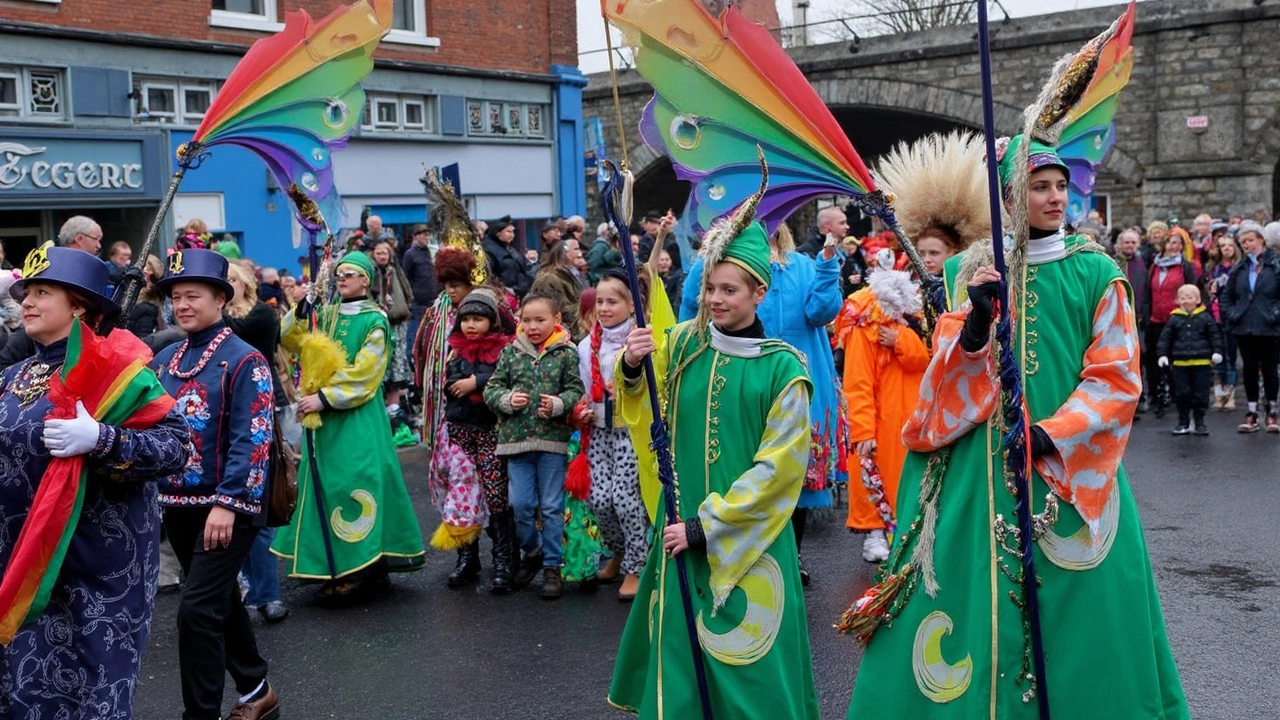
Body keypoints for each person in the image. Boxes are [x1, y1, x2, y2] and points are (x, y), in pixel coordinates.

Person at [842, 133, 1188, 719]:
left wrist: (1049, 436)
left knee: (1083, 607)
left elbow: (1116, 374)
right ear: (1008, 196)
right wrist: (975, 326)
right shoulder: (965, 272)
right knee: (972, 596)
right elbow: (945, 380)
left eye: (1060, 187)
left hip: (1069, 472)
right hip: (980, 474)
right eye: (1038, 188)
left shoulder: (1096, 271)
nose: (1055, 198)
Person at [608, 209, 819, 719]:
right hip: (679, 530)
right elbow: (640, 402)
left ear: (758, 294)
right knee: (682, 665)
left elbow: (781, 468)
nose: (716, 300)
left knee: (751, 669)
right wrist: (633, 364)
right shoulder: (681, 344)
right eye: (710, 289)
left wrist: (707, 526)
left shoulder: (783, 367)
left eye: (730, 290)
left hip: (747, 538)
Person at [0, 244, 189, 718]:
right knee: (20, 696)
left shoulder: (119, 374)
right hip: (17, 564)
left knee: (86, 696)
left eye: (42, 292)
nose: (26, 301)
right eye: (25, 291)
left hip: (93, 571)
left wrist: (103, 439)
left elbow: (176, 447)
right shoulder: (11, 376)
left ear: (79, 305)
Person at [151, 249, 281, 720]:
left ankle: (199, 714)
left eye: (193, 295)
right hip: (177, 504)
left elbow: (255, 438)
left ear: (220, 299)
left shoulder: (245, 360)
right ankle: (257, 689)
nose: (182, 305)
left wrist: (227, 503)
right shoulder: (165, 358)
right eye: (175, 296)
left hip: (228, 507)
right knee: (219, 602)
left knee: (196, 611)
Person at [679, 221, 841, 584]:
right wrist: (709, 257)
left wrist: (828, 262)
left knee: (789, 469)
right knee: (731, 461)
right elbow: (693, 307)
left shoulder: (800, 265)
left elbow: (820, 311)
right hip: (730, 368)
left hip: (793, 369)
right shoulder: (716, 267)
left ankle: (787, 554)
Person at [271, 251, 426, 596]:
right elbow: (289, 340)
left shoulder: (375, 320)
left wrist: (324, 397)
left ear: (366, 280)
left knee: (355, 482)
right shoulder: (324, 314)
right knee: (325, 486)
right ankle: (331, 567)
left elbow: (366, 374)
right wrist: (303, 306)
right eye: (339, 274)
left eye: (351, 273)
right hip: (322, 421)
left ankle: (364, 566)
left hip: (356, 418)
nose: (342, 278)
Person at [483, 292, 584, 600]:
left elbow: (575, 389)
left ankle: (552, 566)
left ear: (556, 321)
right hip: (516, 444)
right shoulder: (511, 352)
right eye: (526, 320)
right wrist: (506, 400)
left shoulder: (566, 353)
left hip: (552, 442)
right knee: (521, 505)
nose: (532, 326)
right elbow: (492, 388)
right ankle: (534, 551)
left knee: (553, 507)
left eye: (540, 320)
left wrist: (558, 404)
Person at [836, 248, 929, 562]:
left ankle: (902, 529)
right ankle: (875, 532)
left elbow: (924, 360)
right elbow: (857, 383)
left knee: (905, 478)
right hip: (880, 418)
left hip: (910, 416)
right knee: (873, 472)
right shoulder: (864, 329)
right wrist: (862, 430)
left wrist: (901, 339)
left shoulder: (911, 327)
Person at [577, 270, 653, 601]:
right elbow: (582, 390)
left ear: (631, 305)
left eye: (613, 301)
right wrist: (579, 409)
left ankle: (637, 565)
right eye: (600, 301)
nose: (604, 308)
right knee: (599, 500)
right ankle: (619, 551)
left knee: (625, 500)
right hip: (598, 432)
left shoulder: (639, 340)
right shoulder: (585, 346)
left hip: (630, 433)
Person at [221, 261, 291, 624]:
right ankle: (245, 593)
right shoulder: (218, 318)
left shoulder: (262, 314)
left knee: (260, 511)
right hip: (226, 413)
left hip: (262, 408)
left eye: (231, 279)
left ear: (246, 283)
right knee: (235, 513)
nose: (226, 285)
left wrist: (214, 314)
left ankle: (268, 595)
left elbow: (243, 337)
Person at [435, 289, 517, 592]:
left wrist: (476, 382)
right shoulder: (455, 351)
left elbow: (502, 379)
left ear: (491, 322)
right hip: (460, 431)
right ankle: (467, 558)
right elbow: (448, 386)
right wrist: (457, 385)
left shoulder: (502, 351)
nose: (471, 325)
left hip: (489, 431)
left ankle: (504, 560)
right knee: (462, 495)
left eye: (478, 319)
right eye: (466, 319)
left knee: (496, 494)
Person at [1219, 220, 1280, 433]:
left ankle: (1272, 411)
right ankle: (1252, 412)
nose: (1246, 245)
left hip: (1269, 327)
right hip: (1244, 328)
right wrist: (1233, 315)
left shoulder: (1275, 264)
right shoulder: (1240, 267)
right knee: (1250, 370)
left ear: (1261, 240)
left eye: (1250, 240)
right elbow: (1226, 296)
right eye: (1243, 242)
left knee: (1271, 371)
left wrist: (1274, 315)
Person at [1141, 229, 1199, 417]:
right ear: (1164, 245)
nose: (1174, 247)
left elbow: (1194, 290)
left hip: (1177, 320)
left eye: (1178, 244)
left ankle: (1178, 396)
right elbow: (1148, 292)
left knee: (1176, 359)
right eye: (1171, 243)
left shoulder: (1186, 266)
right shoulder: (1154, 266)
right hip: (1155, 320)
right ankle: (1158, 396)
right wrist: (1146, 314)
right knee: (1154, 359)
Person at [1157, 284, 1223, 435]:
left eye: (1190, 297)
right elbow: (1165, 339)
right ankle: (1183, 421)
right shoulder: (1174, 319)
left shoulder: (1206, 318)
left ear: (1198, 299)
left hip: (1202, 363)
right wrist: (1162, 354)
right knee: (1182, 393)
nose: (1186, 301)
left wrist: (1217, 351)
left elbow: (1215, 336)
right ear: (1177, 300)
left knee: (1201, 393)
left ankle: (1200, 421)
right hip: (1180, 363)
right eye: (1182, 298)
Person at [370, 240, 415, 432]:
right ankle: (381, 414)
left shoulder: (394, 271)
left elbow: (406, 291)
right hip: (378, 326)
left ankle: (395, 412)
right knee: (381, 368)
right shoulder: (371, 274)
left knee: (396, 368)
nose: (382, 256)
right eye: (378, 253)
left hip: (397, 324)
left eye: (384, 253)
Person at [1206, 232, 1243, 409]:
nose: (1227, 248)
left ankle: (1231, 395)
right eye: (1223, 245)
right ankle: (1219, 393)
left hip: (1232, 317)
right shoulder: (1214, 268)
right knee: (1218, 357)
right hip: (1216, 316)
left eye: (1230, 245)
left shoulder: (1239, 266)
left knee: (1231, 357)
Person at [529, 238, 587, 341]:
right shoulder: (549, 280)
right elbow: (556, 311)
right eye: (576, 249)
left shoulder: (571, 275)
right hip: (560, 337)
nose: (580, 254)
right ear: (564, 253)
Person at [402, 224, 438, 367]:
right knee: (414, 333)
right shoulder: (410, 254)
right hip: (417, 301)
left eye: (427, 234)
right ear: (415, 237)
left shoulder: (430, 253)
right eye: (422, 234)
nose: (426, 237)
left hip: (431, 300)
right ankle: (412, 361)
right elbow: (406, 277)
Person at [482, 216, 534, 298]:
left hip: (519, 292)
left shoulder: (511, 249)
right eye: (508, 232)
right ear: (498, 233)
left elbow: (525, 268)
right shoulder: (489, 250)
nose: (512, 235)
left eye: (513, 232)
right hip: (502, 294)